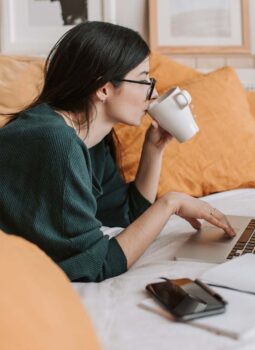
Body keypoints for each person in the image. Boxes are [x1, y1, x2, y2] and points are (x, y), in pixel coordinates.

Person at [0, 22, 235, 282]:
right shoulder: (57, 143)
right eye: (145, 79)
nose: (154, 92)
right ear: (103, 88)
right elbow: (96, 264)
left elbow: (126, 218)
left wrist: (154, 149)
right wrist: (171, 204)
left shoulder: (90, 139)